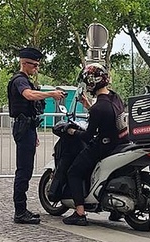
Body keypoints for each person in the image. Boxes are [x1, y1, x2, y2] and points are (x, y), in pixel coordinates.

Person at [63, 63, 129, 226]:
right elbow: (107, 117)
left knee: (74, 172)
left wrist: (71, 132)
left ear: (92, 83)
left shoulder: (98, 108)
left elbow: (87, 136)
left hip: (103, 146)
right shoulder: (115, 97)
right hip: (121, 143)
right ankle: (115, 211)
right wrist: (88, 106)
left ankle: (79, 212)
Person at [7, 47, 66, 224]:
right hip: (23, 128)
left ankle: (22, 209)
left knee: (27, 169)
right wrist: (51, 94)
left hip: (28, 128)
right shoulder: (19, 80)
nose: (36, 68)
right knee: (23, 171)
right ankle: (19, 211)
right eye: (34, 65)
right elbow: (29, 95)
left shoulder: (25, 79)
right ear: (24, 63)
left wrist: (34, 132)